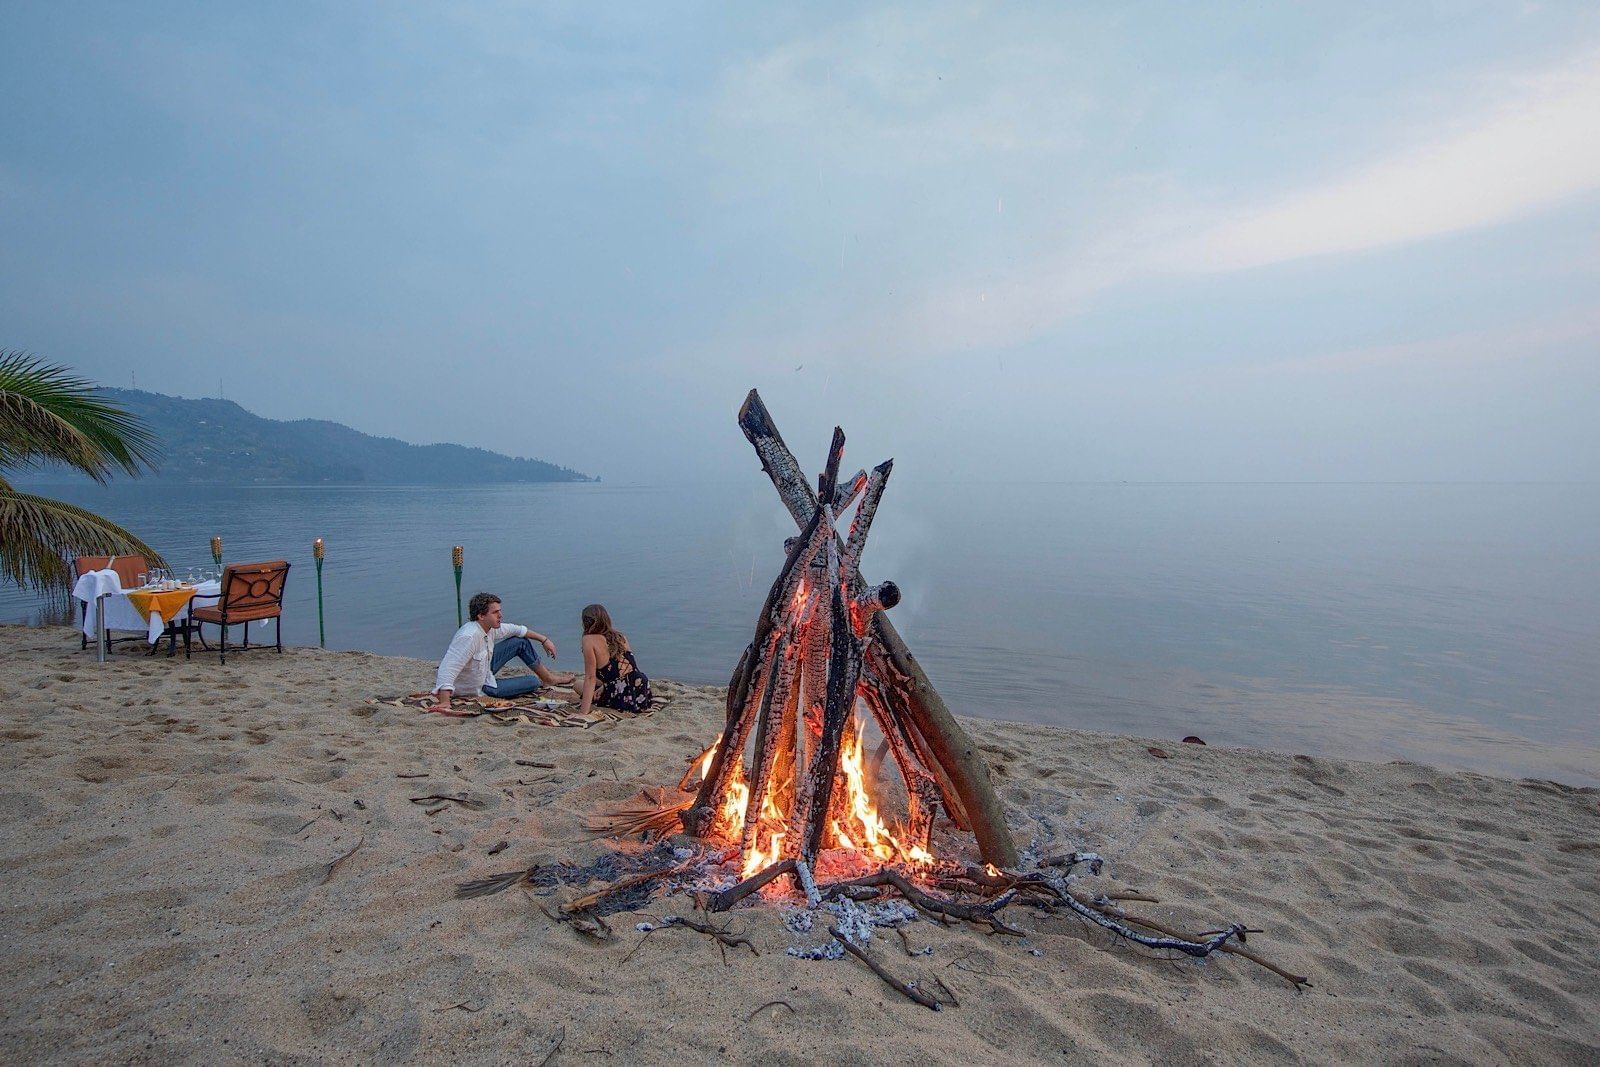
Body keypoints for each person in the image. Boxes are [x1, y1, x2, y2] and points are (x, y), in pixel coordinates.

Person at [429, 592, 574, 712]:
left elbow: (517, 630)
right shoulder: (469, 636)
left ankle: (548, 678)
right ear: (481, 616)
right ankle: (538, 681)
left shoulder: (488, 628)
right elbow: (448, 668)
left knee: (520, 641)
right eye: (495, 612)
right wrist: (444, 701)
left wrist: (544, 640)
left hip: (483, 670)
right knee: (533, 682)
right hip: (478, 686)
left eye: (500, 611)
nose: (500, 615)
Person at [568, 603, 653, 714]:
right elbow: (629, 669)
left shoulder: (588, 640)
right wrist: (605, 686)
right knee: (601, 681)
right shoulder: (620, 636)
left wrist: (583, 713)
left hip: (623, 693)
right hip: (641, 687)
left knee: (578, 685)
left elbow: (590, 678)